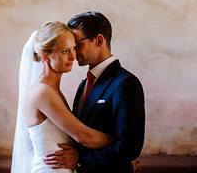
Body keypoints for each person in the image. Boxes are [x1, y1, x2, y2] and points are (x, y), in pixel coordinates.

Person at [43, 11, 145, 173]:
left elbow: (129, 146)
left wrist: (80, 161)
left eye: (77, 44)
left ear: (99, 40)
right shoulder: (84, 84)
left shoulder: (125, 83)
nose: (74, 53)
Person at [11, 21, 115, 173]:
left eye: (74, 48)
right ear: (46, 56)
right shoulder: (42, 92)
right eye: (65, 52)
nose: (73, 56)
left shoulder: (53, 90)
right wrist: (122, 146)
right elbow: (83, 136)